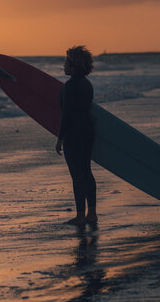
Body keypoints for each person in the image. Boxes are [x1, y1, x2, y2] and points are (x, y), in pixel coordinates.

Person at [55, 46, 97, 225]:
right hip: (88, 130)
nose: (63, 66)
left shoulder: (70, 86)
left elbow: (66, 114)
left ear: (74, 66)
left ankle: (80, 216)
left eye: (66, 63)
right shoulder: (87, 84)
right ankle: (92, 214)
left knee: (76, 175)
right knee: (86, 171)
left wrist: (60, 138)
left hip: (73, 132)